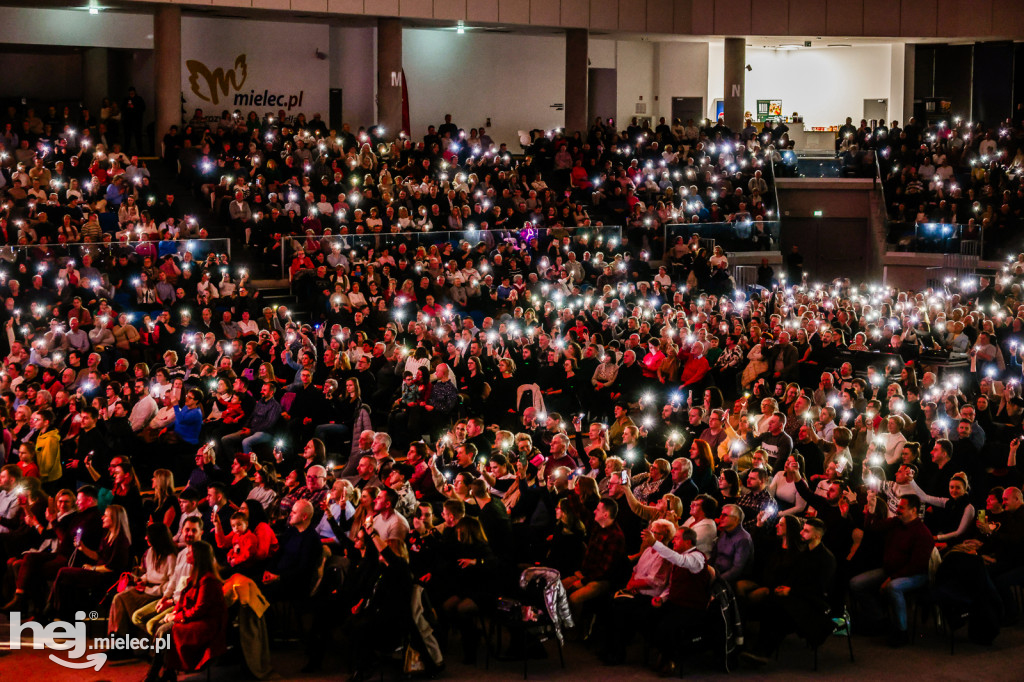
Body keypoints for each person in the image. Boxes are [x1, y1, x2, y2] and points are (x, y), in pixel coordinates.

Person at [849, 493, 934, 646]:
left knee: (893, 587)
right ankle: (880, 619)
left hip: (914, 574)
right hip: (891, 570)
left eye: (902, 507)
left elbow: (917, 565)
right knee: (856, 583)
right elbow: (871, 528)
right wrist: (871, 510)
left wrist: (892, 577)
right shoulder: (896, 523)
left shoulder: (922, 533)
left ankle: (902, 632)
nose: (898, 510)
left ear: (913, 510)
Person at [145, 540, 227, 681]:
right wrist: (174, 613)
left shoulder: (208, 581)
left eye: (190, 552)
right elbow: (183, 600)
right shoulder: (195, 577)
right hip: (194, 618)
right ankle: (166, 671)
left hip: (206, 624)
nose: (187, 554)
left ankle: (156, 673)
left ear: (198, 556)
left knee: (166, 631)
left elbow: (199, 611)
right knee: (160, 627)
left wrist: (176, 618)